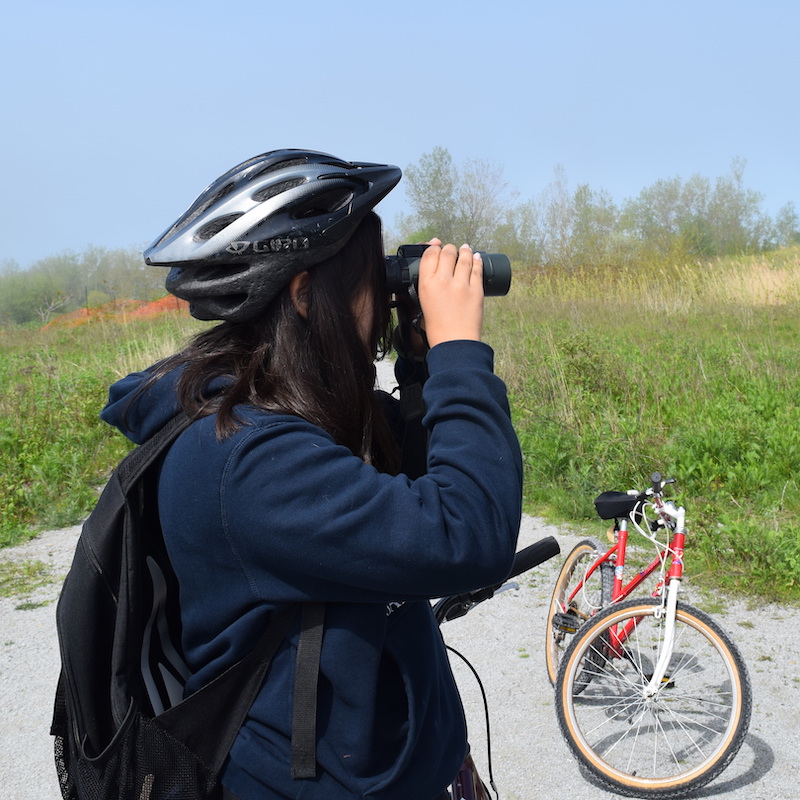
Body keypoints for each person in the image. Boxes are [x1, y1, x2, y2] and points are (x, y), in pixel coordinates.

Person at [101, 149, 523, 800]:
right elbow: (468, 533)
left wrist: (419, 366)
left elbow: (411, 480)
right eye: (371, 281)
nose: (383, 297)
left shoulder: (288, 416)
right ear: (303, 292)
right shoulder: (249, 457)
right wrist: (461, 352)